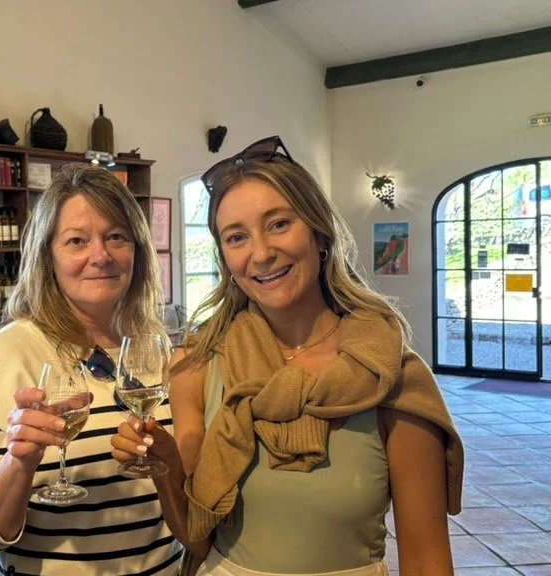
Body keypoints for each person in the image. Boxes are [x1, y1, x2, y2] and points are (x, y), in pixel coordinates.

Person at [111, 136, 464, 576]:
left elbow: (427, 559)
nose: (260, 253)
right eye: (236, 237)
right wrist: (163, 465)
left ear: (319, 233)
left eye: (278, 224)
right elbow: (197, 540)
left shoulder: (389, 376)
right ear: (226, 261)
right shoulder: (198, 366)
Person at [0, 163, 183, 575]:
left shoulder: (153, 344)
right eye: (77, 241)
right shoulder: (10, 353)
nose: (101, 256)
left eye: (116, 237)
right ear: (47, 256)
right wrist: (19, 463)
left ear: (137, 250)